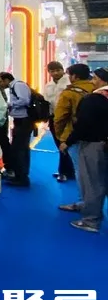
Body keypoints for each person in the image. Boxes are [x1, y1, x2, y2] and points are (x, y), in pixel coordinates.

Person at [59, 67, 108, 233]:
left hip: (92, 145)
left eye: (94, 79)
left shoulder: (92, 99)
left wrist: (67, 141)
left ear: (100, 80)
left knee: (92, 183)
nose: (92, 82)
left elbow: (82, 125)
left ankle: (91, 220)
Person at [55, 64, 94, 210]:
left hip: (75, 136)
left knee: (81, 172)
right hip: (97, 137)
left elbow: (60, 117)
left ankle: (84, 204)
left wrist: (61, 137)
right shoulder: (98, 90)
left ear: (74, 76)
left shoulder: (69, 93)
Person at [0, 72, 33, 187]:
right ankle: (20, 175)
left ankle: (22, 178)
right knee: (20, 149)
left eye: (1, 81)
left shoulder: (18, 85)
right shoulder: (15, 86)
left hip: (24, 121)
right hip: (20, 121)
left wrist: (9, 104)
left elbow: (24, 100)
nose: (0, 84)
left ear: (6, 80)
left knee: (19, 150)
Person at [44, 61, 71, 180]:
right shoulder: (48, 85)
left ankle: (64, 171)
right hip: (53, 118)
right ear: (49, 72)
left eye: (58, 70)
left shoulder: (69, 83)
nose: (55, 73)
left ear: (62, 70)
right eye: (52, 71)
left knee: (64, 144)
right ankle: (67, 170)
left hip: (67, 118)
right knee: (58, 144)